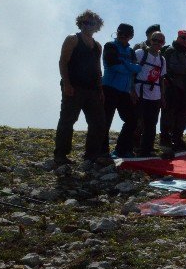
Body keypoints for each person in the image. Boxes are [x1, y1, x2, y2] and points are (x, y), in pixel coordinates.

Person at [54, 10, 108, 166]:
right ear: (80, 23)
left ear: (97, 25)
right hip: (74, 87)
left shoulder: (97, 46)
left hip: (92, 89)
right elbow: (63, 61)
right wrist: (67, 83)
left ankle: (92, 155)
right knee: (68, 120)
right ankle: (60, 155)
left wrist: (100, 89)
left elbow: (98, 68)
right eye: (85, 22)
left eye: (91, 23)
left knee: (98, 122)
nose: (88, 25)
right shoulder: (73, 39)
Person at [101, 23, 141, 158]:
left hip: (124, 91)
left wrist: (125, 64)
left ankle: (121, 149)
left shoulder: (130, 51)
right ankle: (102, 152)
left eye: (126, 35)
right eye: (120, 34)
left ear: (131, 36)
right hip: (109, 88)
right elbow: (113, 66)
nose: (123, 37)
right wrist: (129, 67)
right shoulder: (110, 46)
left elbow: (137, 69)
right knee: (105, 120)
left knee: (132, 119)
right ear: (117, 33)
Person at [162, 30, 186, 151]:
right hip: (172, 86)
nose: (185, 41)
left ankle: (177, 139)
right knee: (169, 113)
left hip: (185, 88)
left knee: (183, 114)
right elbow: (172, 67)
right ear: (178, 37)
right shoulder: (171, 50)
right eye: (183, 38)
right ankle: (165, 139)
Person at [133, 31, 166, 156]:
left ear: (163, 43)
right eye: (155, 40)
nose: (157, 43)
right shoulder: (140, 53)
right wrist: (131, 90)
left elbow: (161, 79)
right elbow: (131, 73)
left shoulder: (162, 59)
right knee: (136, 121)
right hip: (139, 92)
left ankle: (146, 149)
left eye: (160, 41)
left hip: (155, 95)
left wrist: (162, 96)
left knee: (151, 124)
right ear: (150, 40)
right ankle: (132, 146)